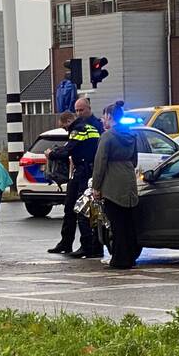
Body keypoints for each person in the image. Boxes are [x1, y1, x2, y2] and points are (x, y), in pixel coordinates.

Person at [46, 97, 104, 258]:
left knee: (85, 208)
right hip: (78, 170)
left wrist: (52, 154)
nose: (79, 113)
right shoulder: (83, 127)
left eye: (81, 110)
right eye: (77, 110)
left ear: (89, 108)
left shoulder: (88, 127)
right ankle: (66, 242)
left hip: (85, 171)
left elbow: (69, 149)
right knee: (70, 207)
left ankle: (91, 246)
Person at [92, 101, 140, 269]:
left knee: (116, 222)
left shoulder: (108, 136)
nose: (102, 119)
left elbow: (100, 162)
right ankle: (131, 257)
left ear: (110, 117)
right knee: (128, 222)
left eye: (104, 116)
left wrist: (96, 186)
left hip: (112, 181)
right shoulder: (131, 135)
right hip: (128, 179)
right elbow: (135, 160)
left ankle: (120, 259)